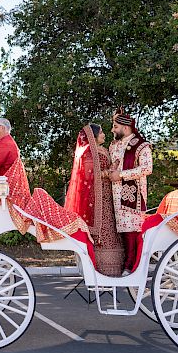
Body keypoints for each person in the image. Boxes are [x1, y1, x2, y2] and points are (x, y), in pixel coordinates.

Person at [65, 124, 124, 276]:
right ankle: (101, 268)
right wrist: (108, 172)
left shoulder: (104, 150)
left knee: (112, 227)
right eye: (102, 132)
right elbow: (88, 175)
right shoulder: (87, 152)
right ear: (94, 135)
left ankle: (115, 268)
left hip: (109, 195)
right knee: (103, 229)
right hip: (97, 200)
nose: (104, 134)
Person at [108, 108, 153, 275]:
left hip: (133, 195)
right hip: (115, 194)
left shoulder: (142, 146)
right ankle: (127, 264)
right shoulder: (114, 145)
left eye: (115, 126)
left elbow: (147, 168)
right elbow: (114, 165)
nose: (112, 130)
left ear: (126, 128)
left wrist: (121, 175)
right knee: (123, 231)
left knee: (132, 230)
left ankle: (131, 266)